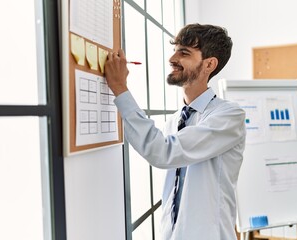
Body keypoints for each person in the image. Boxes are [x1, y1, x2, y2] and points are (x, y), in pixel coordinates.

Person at [104, 23, 246, 240]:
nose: (172, 59)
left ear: (209, 64)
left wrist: (120, 89)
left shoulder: (229, 117)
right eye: (175, 51)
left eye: (184, 53)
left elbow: (162, 152)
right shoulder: (175, 120)